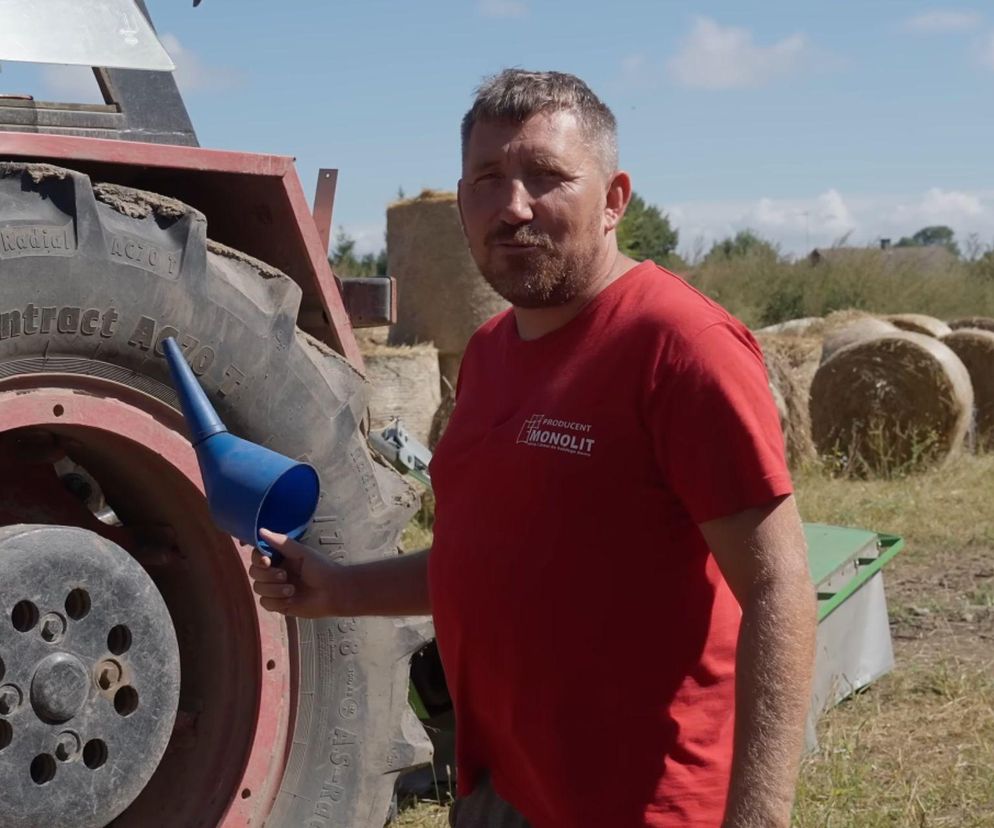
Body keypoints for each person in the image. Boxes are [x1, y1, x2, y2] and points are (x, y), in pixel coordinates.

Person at [250, 69, 817, 828]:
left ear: (615, 199)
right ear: (461, 203)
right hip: (501, 792)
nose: (513, 207)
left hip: (648, 805)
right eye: (488, 180)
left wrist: (760, 819)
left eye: (546, 178)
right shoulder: (489, 353)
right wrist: (336, 589)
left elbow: (780, 591)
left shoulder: (680, 348)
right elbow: (493, 560)